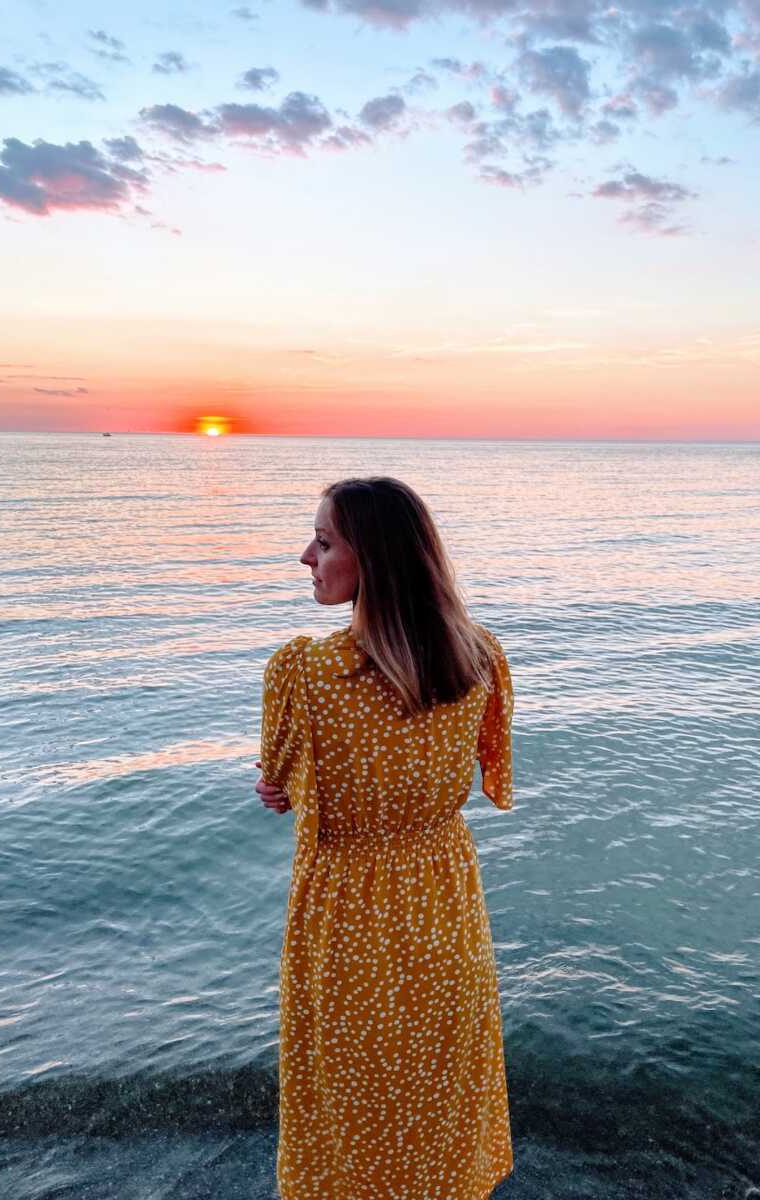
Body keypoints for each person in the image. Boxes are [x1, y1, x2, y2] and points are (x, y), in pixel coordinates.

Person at [254, 476, 515, 1200]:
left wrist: (281, 786)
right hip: (444, 908)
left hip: (345, 920)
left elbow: (281, 786)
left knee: (347, 1103)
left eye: (326, 541)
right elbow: (492, 778)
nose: (307, 555)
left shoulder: (302, 675)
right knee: (438, 1094)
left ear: (377, 559)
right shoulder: (480, 660)